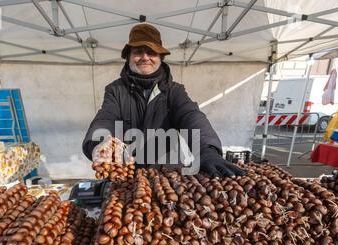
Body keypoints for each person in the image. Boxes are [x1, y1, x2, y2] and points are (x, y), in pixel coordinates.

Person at [82, 23, 244, 177]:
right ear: (129, 57)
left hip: (166, 174)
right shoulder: (115, 90)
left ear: (160, 58)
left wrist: (207, 149)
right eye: (138, 52)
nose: (145, 57)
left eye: (151, 52)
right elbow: (106, 118)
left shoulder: (174, 91)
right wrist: (99, 144)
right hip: (126, 173)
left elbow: (191, 116)